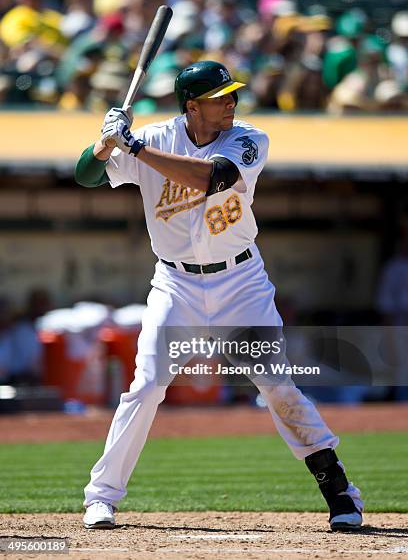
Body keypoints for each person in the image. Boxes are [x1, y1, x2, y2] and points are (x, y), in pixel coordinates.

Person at [75, 60, 363, 531]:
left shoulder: (247, 138)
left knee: (275, 385)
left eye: (232, 94)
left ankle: (339, 492)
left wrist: (133, 146)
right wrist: (103, 144)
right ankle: (101, 497)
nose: (231, 102)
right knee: (146, 387)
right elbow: (86, 176)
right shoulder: (155, 137)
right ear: (192, 106)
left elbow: (212, 179)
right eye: (220, 96)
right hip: (176, 284)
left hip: (241, 284)